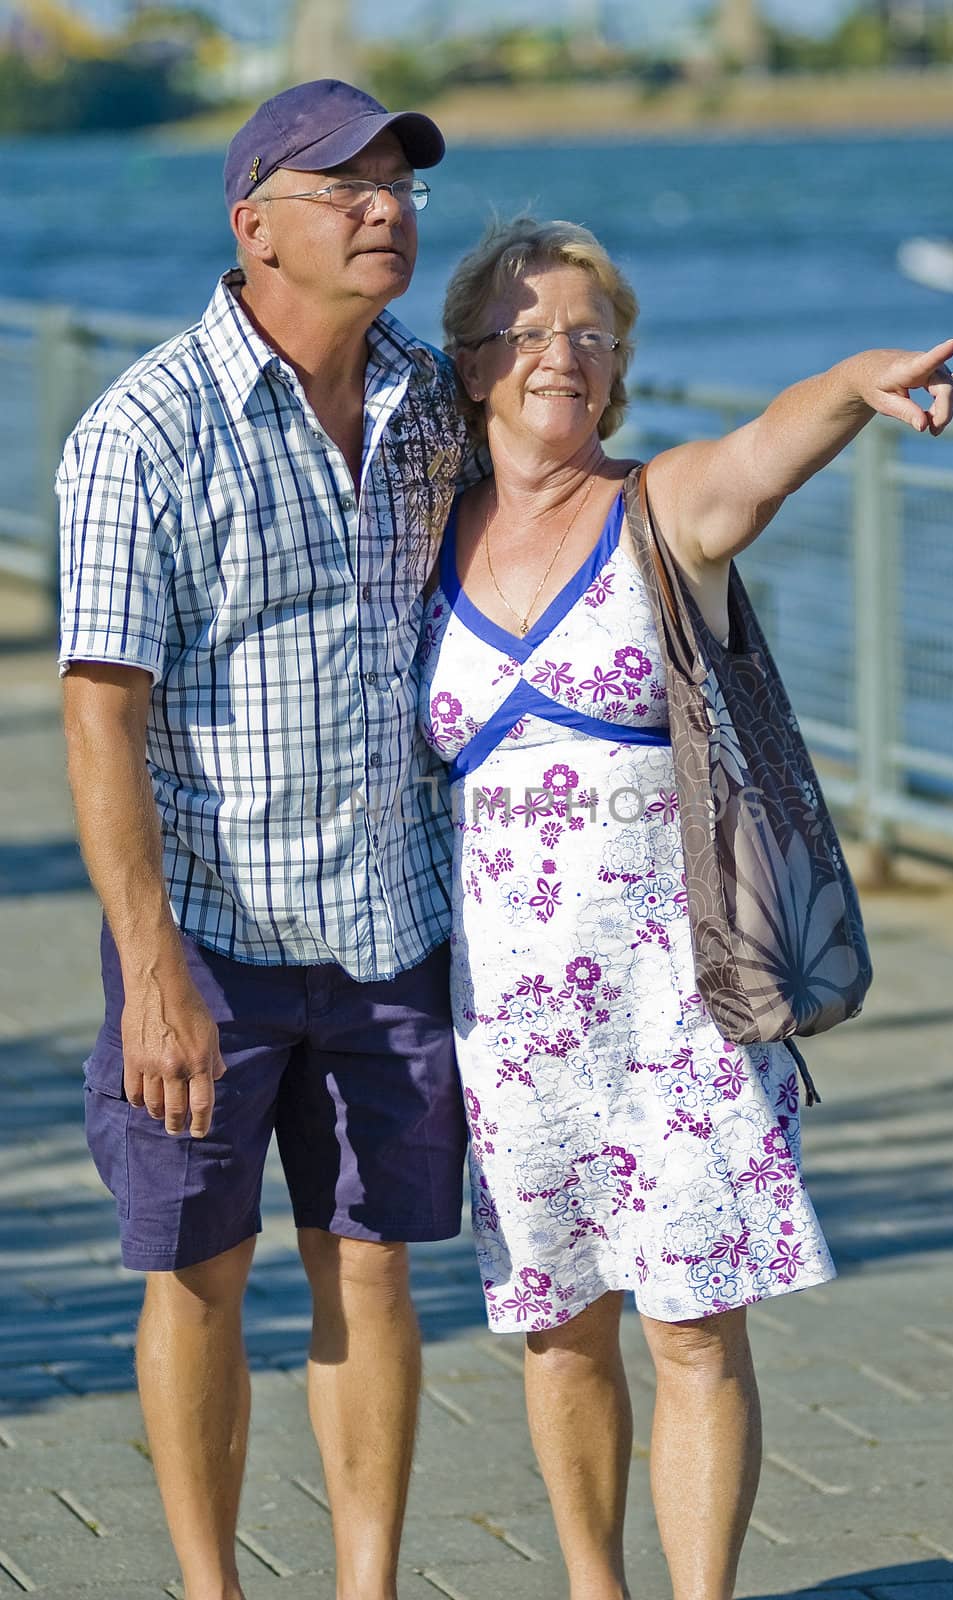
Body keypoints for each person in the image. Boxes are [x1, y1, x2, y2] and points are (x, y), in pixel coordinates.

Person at [421, 216, 953, 1600]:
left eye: (591, 334)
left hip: (677, 1013)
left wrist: (851, 383)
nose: (563, 355)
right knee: (558, 1331)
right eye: (532, 331)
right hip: (511, 1027)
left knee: (692, 1330)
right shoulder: (426, 538)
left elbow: (763, 455)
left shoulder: (660, 512)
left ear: (619, 370)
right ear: (474, 360)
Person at [57, 80, 476, 1600]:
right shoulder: (145, 432)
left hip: (389, 925)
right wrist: (153, 972)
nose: (388, 211)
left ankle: (365, 1587)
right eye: (346, 187)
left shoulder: (436, 403)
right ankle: (209, 1587)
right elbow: (98, 713)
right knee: (200, 1270)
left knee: (371, 1263)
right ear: (254, 227)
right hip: (212, 947)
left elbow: (586, 496)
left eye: (402, 188)